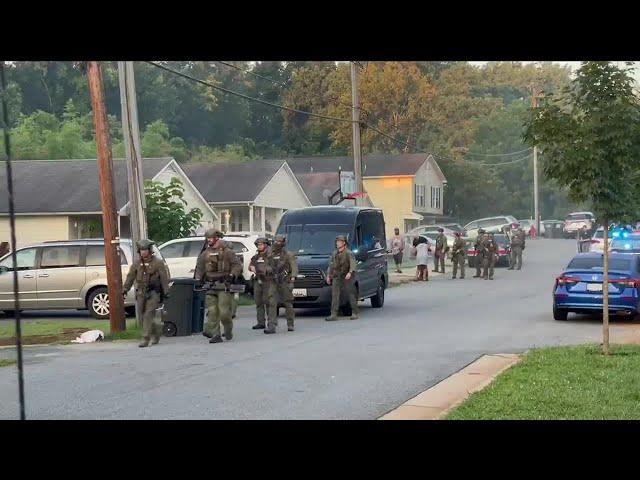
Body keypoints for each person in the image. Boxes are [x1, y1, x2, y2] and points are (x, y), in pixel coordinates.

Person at [195, 229, 242, 344]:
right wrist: (198, 279)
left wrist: (232, 275)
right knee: (212, 311)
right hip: (210, 285)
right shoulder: (204, 253)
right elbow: (200, 268)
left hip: (223, 285)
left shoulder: (227, 252)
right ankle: (216, 334)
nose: (209, 240)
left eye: (210, 238)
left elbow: (237, 265)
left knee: (224, 312)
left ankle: (228, 329)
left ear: (216, 238)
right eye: (207, 238)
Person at [122, 239, 170, 348]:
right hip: (141, 292)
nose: (143, 252)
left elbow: (164, 278)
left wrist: (166, 291)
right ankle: (156, 331)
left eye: (145, 250)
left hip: (153, 292)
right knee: (143, 316)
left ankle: (145, 338)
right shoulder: (137, 263)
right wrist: (125, 289)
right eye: (141, 250)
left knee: (149, 314)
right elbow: (130, 277)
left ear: (149, 250)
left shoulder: (158, 262)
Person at [325, 235, 358, 321]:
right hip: (337, 276)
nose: (337, 243)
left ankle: (354, 312)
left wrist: (350, 273)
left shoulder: (348, 253)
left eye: (339, 241)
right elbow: (331, 265)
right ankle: (333, 314)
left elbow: (353, 264)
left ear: (344, 243)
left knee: (350, 293)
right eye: (337, 242)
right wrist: (328, 275)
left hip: (347, 276)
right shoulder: (334, 253)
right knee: (335, 295)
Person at [270, 234, 298, 332]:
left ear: (283, 243)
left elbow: (294, 267)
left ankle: (290, 324)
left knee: (288, 303)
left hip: (285, 281)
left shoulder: (288, 254)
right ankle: (272, 324)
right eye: (275, 241)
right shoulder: (270, 254)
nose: (277, 243)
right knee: (272, 303)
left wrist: (293, 278)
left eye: (279, 242)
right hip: (273, 282)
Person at [249, 237, 277, 333]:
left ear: (265, 245)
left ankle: (271, 324)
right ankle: (261, 322)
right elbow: (251, 264)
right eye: (258, 245)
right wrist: (252, 267)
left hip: (268, 281)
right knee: (258, 302)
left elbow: (274, 267)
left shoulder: (271, 256)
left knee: (270, 303)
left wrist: (264, 270)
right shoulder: (256, 256)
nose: (259, 246)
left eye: (261, 244)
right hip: (258, 281)